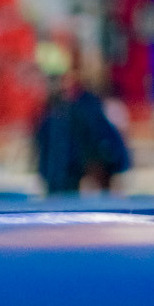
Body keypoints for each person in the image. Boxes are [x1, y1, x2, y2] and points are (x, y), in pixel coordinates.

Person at [32, 47, 133, 195]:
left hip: (86, 185)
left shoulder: (89, 106)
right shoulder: (52, 112)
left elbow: (107, 148)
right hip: (59, 185)